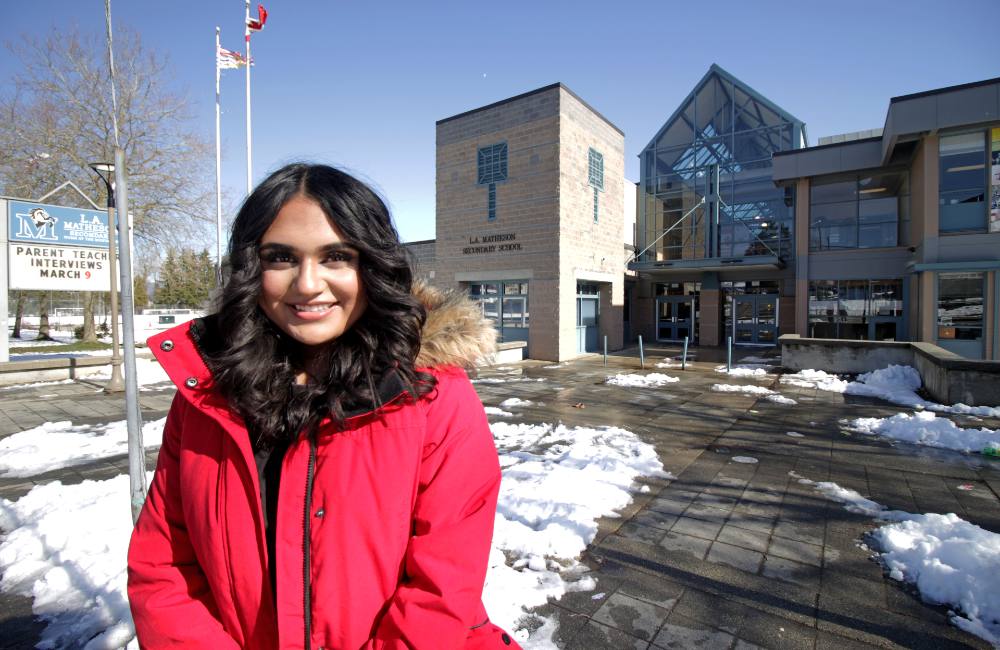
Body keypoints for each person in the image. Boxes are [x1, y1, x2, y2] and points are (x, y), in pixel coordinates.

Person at [127, 163, 519, 649]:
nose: (308, 284)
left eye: (336, 257)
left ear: (371, 265)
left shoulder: (433, 397)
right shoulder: (207, 395)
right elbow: (164, 565)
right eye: (281, 258)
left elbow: (442, 589)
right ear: (253, 267)